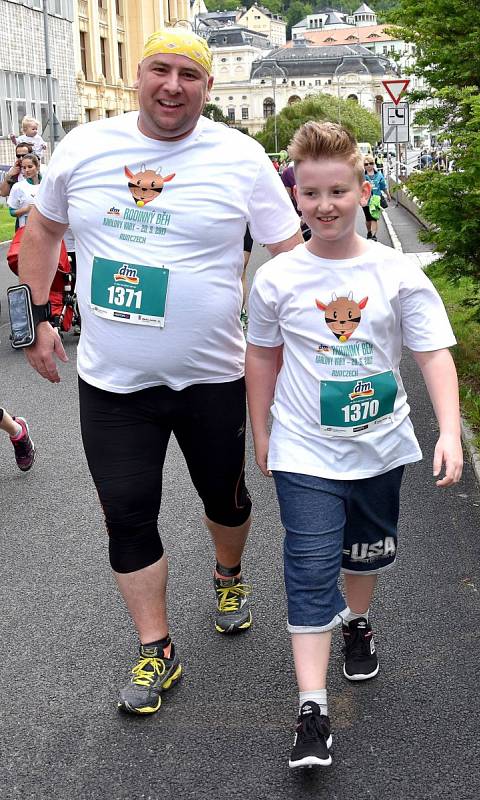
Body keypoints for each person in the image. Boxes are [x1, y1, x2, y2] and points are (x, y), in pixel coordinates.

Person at [17, 27, 302, 716]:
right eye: (159, 70)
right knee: (126, 516)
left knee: (225, 500)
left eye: (189, 75)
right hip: (115, 384)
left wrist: (301, 347)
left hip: (213, 378)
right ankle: (156, 648)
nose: (172, 85)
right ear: (140, 76)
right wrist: (37, 317)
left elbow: (288, 251)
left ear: (206, 87)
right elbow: (44, 230)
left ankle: (227, 572)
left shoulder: (237, 157)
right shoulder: (84, 147)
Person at [245, 121, 463, 769]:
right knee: (309, 567)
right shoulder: (277, 278)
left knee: (362, 554)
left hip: (380, 446)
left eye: (337, 191)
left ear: (362, 190)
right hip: (303, 450)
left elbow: (432, 353)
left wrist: (448, 428)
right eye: (310, 193)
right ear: (295, 197)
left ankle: (357, 622)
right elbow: (261, 357)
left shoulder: (393, 272)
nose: (324, 205)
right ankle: (311, 708)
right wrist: (261, 432)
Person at [7, 154, 42, 228]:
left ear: (38, 167)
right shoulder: (18, 187)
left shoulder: (47, 185)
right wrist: (26, 209)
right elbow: (12, 212)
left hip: (45, 229)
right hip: (25, 230)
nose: (27, 170)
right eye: (24, 168)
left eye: (30, 167)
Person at [363, 156, 390, 241]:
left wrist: (388, 195)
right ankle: (369, 232)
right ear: (364, 166)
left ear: (373, 164)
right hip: (366, 200)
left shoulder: (379, 175)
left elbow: (383, 186)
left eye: (371, 163)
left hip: (376, 199)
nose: (369, 166)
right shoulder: (362, 176)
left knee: (374, 217)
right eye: (366, 164)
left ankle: (374, 235)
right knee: (368, 218)